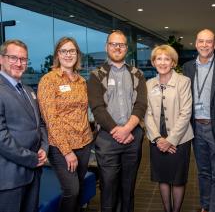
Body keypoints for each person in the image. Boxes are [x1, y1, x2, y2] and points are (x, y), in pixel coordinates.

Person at [87, 30, 147, 212]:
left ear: (126, 49)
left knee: (128, 189)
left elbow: (141, 104)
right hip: (107, 139)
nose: (117, 48)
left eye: (121, 45)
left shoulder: (137, 74)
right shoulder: (96, 75)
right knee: (108, 189)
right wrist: (118, 131)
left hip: (132, 138)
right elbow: (97, 108)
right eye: (113, 44)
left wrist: (127, 129)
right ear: (107, 47)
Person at [182, 29, 215, 212]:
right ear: (196, 44)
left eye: (209, 42)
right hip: (196, 127)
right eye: (201, 41)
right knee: (203, 172)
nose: (205, 45)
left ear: (214, 45)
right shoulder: (188, 67)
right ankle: (205, 206)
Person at [37, 37, 93, 212]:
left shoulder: (81, 81)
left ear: (77, 54)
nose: (68, 55)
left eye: (72, 51)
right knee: (71, 190)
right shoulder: (49, 80)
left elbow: (84, 112)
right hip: (61, 147)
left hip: (84, 143)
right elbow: (50, 118)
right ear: (57, 55)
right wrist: (67, 151)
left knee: (80, 188)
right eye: (64, 51)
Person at [0, 39, 48, 212]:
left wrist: (44, 147)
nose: (19, 63)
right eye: (13, 58)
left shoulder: (28, 90)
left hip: (33, 173)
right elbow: (1, 136)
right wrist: (32, 158)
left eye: (23, 59)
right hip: (9, 177)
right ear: (1, 59)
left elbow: (39, 123)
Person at [145, 45, 194, 212]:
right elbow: (147, 114)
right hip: (157, 139)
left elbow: (186, 112)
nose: (163, 62)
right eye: (159, 58)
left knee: (178, 179)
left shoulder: (183, 81)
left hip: (180, 139)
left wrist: (171, 140)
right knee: (163, 178)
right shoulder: (149, 84)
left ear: (173, 62)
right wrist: (158, 139)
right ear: (153, 62)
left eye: (167, 59)